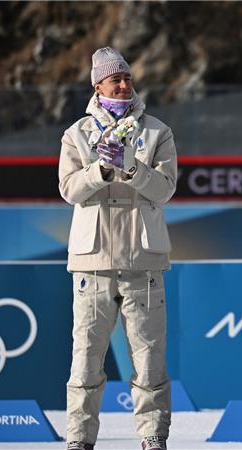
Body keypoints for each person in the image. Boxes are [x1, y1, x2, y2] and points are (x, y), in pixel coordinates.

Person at [58, 47, 177, 450]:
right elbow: (69, 189)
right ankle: (79, 441)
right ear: (98, 86)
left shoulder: (158, 132)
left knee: (149, 360)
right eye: (115, 80)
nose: (124, 85)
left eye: (127, 78)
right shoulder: (76, 133)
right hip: (93, 263)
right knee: (86, 362)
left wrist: (130, 167)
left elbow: (165, 189)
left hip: (143, 261)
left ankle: (153, 438)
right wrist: (101, 170)